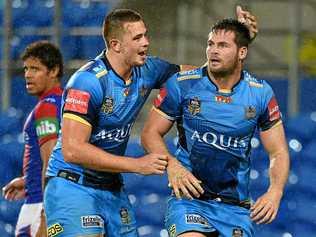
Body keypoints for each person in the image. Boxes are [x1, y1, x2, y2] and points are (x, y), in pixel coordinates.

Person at [44, 8, 258, 237]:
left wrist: (235, 45)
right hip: (72, 184)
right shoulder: (87, 82)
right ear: (116, 45)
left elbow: (198, 75)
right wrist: (136, 165)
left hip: (111, 187)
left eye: (145, 35)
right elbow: (72, 150)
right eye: (137, 38)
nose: (146, 42)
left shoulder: (147, 70)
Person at [141, 19, 289, 237]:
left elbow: (278, 151)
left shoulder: (260, 94)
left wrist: (275, 192)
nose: (213, 51)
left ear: (242, 52)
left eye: (223, 46)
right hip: (189, 202)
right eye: (210, 44)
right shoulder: (182, 85)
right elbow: (149, 133)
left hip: (235, 207)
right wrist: (172, 165)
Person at [2, 41, 64, 237]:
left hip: (40, 206)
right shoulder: (64, 103)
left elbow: (52, 160)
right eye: (26, 68)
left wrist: (47, 214)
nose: (27, 74)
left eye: (35, 69)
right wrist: (29, 180)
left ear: (53, 71)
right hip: (44, 198)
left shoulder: (47, 107)